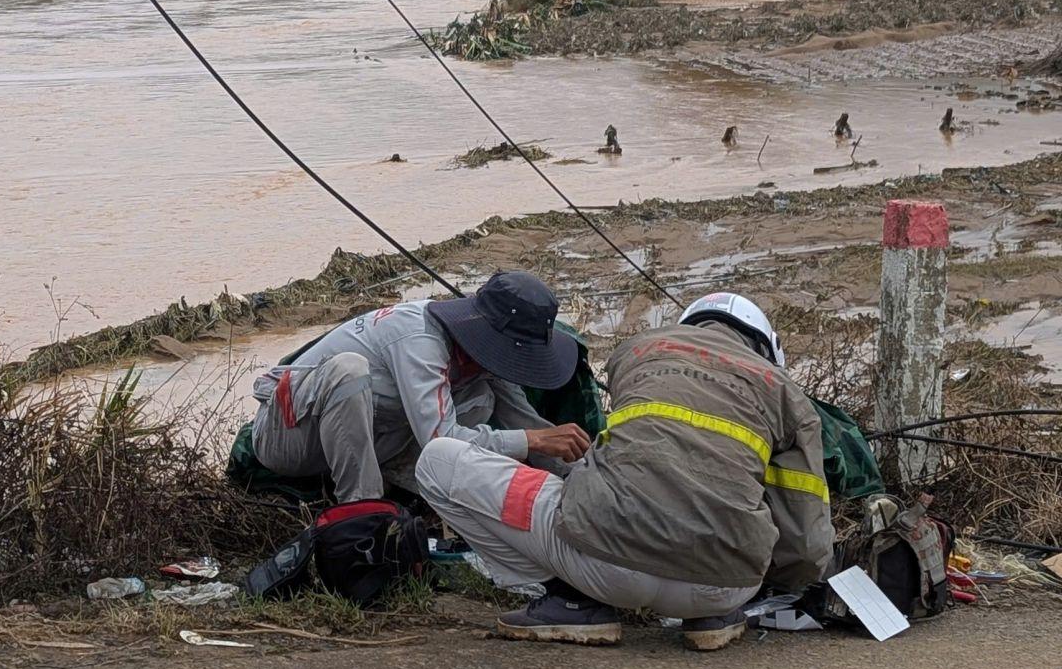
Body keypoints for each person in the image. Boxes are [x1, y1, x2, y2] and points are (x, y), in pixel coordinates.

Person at [416, 292, 834, 649]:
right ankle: (713, 620)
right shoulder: (788, 397)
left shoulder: (637, 352)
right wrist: (759, 581)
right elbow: (805, 541)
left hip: (602, 568)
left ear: (687, 326)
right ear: (766, 349)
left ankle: (570, 599)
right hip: (724, 587)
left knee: (438, 459)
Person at [251, 271, 589, 503]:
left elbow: (525, 422)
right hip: (290, 436)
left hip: (374, 436)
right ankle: (361, 508)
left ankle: (410, 483)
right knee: (348, 371)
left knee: (481, 399)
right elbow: (442, 440)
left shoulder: (485, 360)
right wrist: (532, 440)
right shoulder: (420, 340)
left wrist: (584, 475)